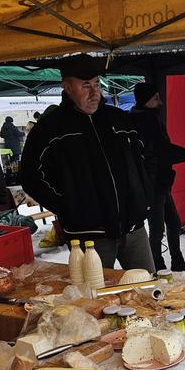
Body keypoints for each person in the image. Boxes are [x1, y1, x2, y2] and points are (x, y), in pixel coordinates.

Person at [20, 54, 154, 270]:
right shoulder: (49, 129)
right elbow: (29, 176)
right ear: (67, 87)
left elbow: (144, 158)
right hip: (89, 236)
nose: (94, 92)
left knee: (148, 290)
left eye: (96, 84)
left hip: (134, 227)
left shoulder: (119, 119)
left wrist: (143, 194)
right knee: (92, 298)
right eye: (85, 86)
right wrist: (68, 206)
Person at [131, 81, 185, 272]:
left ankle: (177, 261)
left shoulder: (150, 118)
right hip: (153, 182)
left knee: (173, 223)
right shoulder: (144, 121)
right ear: (146, 100)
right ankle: (157, 267)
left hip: (162, 180)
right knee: (157, 229)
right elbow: (163, 151)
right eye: (156, 98)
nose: (161, 102)